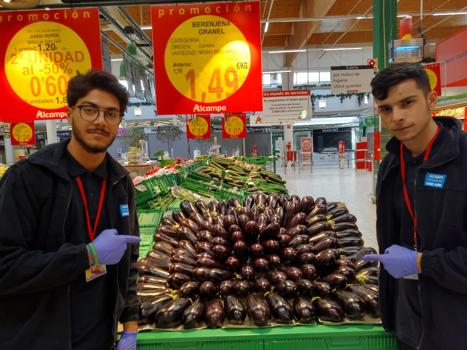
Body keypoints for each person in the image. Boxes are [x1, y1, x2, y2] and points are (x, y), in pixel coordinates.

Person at [0, 70, 141, 350]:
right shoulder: (28, 178)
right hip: (36, 339)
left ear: (119, 122)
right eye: (90, 110)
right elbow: (5, 267)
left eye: (111, 114)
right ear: (70, 113)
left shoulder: (120, 183)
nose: (100, 121)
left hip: (99, 339)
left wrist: (130, 327)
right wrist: (85, 256)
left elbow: (131, 264)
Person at [363, 63, 467, 350]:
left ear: (432, 100)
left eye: (407, 103)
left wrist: (421, 262)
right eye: (386, 109)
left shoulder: (463, 160)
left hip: (457, 326)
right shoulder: (391, 165)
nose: (397, 117)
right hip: (409, 324)